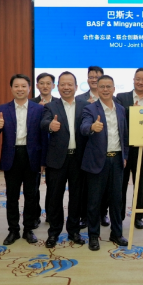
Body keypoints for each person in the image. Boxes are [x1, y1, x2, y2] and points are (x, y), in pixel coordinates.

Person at [0, 74, 46, 245]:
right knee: (12, 196)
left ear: (29, 88)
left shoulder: (39, 109)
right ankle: (13, 230)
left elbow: (44, 137)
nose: (20, 89)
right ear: (11, 88)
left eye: (23, 86)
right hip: (12, 156)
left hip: (32, 157)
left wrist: (43, 161)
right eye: (16, 86)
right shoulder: (2, 109)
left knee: (31, 195)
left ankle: (28, 229)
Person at [80, 75, 129, 251]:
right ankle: (93, 236)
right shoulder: (90, 109)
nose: (106, 90)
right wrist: (92, 127)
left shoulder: (121, 109)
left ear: (114, 89)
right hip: (97, 161)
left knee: (116, 200)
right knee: (94, 201)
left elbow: (124, 134)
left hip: (117, 160)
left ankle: (116, 233)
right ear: (97, 89)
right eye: (102, 87)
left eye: (109, 86)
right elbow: (83, 127)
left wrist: (124, 156)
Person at [41, 72, 87, 247]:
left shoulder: (85, 106)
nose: (66, 87)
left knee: (77, 197)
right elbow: (43, 123)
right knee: (54, 197)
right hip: (57, 159)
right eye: (63, 84)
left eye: (70, 84)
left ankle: (74, 231)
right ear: (57, 87)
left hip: (78, 158)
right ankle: (54, 233)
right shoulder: (51, 106)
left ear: (76, 87)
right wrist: (50, 126)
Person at [116, 68, 143, 230]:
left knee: (140, 182)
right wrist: (132, 111)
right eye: (138, 79)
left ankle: (138, 216)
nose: (140, 82)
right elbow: (117, 118)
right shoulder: (121, 97)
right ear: (133, 80)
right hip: (123, 147)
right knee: (121, 183)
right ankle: (119, 216)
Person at [75, 66, 107, 228]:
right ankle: (85, 216)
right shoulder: (79, 99)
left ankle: (103, 214)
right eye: (91, 77)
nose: (94, 79)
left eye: (97, 77)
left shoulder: (110, 98)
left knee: (104, 185)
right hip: (85, 148)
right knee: (86, 185)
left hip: (104, 149)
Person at [30, 72, 58, 227]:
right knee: (33, 186)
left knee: (53, 186)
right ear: (37, 85)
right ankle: (35, 215)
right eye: (42, 83)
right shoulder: (31, 103)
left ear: (53, 86)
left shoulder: (59, 103)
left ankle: (51, 214)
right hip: (36, 149)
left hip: (54, 149)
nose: (45, 86)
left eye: (48, 83)